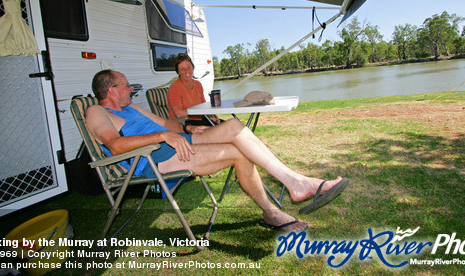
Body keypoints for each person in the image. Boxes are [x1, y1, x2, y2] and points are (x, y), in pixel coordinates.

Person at [86, 70, 349, 232]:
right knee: (238, 153)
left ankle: (296, 182)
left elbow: (167, 123)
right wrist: (164, 135)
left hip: (180, 141)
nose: (131, 88)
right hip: (154, 159)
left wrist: (188, 127)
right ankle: (274, 210)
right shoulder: (97, 111)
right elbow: (114, 145)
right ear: (111, 90)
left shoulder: (132, 108)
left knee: (234, 126)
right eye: (126, 85)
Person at [167, 53, 219, 125]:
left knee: (228, 125)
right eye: (182, 69)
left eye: (189, 67)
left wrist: (211, 115)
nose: (187, 71)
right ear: (178, 72)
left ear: (193, 67)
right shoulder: (175, 87)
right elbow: (179, 113)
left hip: (199, 120)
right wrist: (204, 115)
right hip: (183, 124)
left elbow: (203, 106)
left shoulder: (198, 85)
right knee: (223, 129)